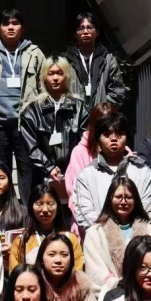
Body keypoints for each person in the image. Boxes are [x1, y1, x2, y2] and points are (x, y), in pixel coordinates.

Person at [0, 9, 46, 195]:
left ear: (22, 28)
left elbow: (44, 90)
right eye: (6, 24)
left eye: (15, 23)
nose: (11, 27)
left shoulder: (35, 53)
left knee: (28, 173)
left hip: (26, 125)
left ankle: (28, 209)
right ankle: (5, 210)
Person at [20, 56, 88, 214]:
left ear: (67, 76)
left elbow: (85, 141)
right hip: (42, 176)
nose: (55, 78)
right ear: (44, 76)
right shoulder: (32, 110)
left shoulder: (79, 107)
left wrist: (73, 167)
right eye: (51, 73)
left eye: (59, 73)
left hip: (74, 174)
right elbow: (31, 146)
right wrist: (49, 167)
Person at [72, 110, 151, 231]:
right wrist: (109, 235)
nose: (113, 138)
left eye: (119, 134)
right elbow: (85, 215)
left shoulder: (143, 172)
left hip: (136, 239)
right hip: (99, 240)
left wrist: (130, 234)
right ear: (98, 140)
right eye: (107, 134)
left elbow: (147, 212)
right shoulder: (86, 176)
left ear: (127, 138)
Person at [83, 176, 151, 287]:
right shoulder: (95, 233)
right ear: (110, 198)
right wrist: (117, 284)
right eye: (118, 197)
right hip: (111, 293)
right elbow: (95, 271)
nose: (123, 202)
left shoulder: (149, 230)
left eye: (128, 197)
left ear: (135, 200)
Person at [8, 182, 84, 272]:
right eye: (39, 204)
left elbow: (77, 273)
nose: (45, 209)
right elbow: (15, 275)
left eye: (50, 204)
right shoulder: (21, 241)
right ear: (31, 208)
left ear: (58, 208)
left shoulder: (70, 239)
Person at [37, 233, 99, 301]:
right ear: (41, 259)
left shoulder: (84, 294)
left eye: (64, 255)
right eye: (51, 254)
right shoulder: (34, 293)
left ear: (71, 260)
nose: (58, 260)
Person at [64, 14, 125, 107]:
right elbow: (59, 93)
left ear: (97, 32)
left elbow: (117, 93)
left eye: (89, 27)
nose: (85, 32)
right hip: (73, 114)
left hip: (101, 114)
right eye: (81, 28)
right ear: (75, 34)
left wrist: (101, 109)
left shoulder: (109, 61)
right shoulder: (65, 62)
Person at [64, 101, 116, 196]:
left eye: (110, 123)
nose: (105, 128)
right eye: (100, 123)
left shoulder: (123, 150)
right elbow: (76, 189)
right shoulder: (79, 152)